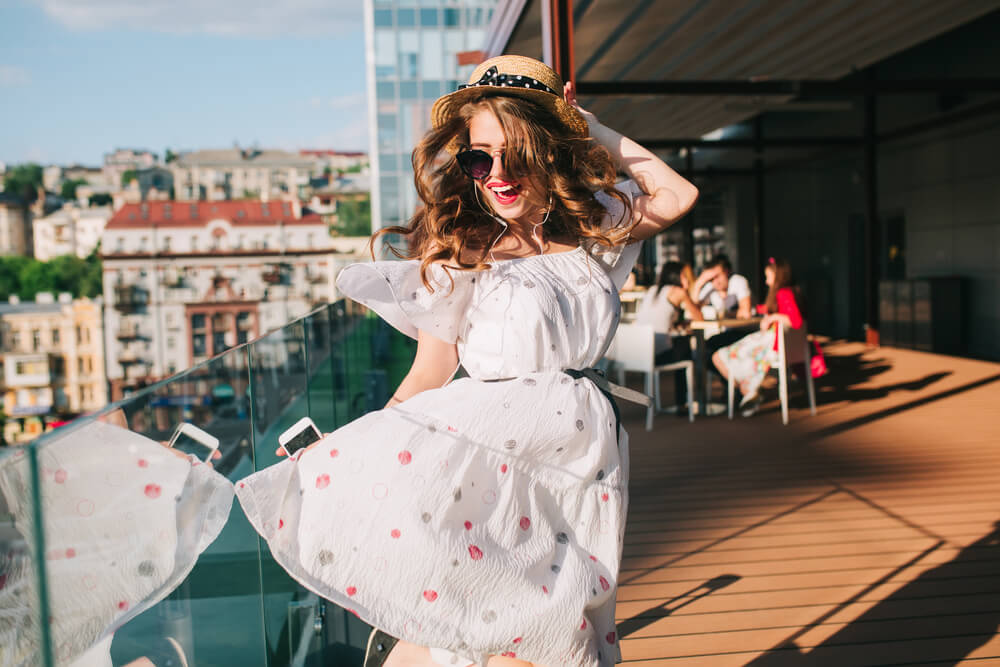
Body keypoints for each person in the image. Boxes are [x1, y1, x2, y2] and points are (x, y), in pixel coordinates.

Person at [234, 55, 698, 667]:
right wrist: (354, 453)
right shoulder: (461, 247)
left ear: (550, 152)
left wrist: (586, 125)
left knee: (562, 627)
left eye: (516, 155)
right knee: (528, 638)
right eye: (480, 158)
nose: (496, 174)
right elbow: (430, 371)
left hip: (584, 463)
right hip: (494, 467)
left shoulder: (592, 229)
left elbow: (677, 193)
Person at [711, 258, 804, 416]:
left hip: (773, 344)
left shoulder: (783, 293)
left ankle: (745, 388)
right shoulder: (792, 292)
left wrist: (773, 318)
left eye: (768, 277)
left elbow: (796, 320)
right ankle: (747, 388)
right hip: (784, 345)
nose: (767, 282)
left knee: (719, 356)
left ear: (777, 276)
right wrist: (762, 311)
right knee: (726, 354)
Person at [694, 255, 752, 320]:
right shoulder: (710, 287)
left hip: (741, 329)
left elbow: (745, 313)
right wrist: (698, 284)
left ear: (726, 272)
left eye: (717, 276)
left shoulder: (737, 281)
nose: (716, 281)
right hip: (718, 329)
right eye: (711, 279)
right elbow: (694, 312)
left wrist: (722, 314)